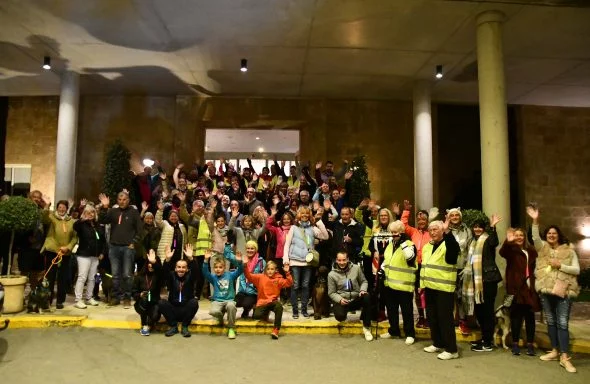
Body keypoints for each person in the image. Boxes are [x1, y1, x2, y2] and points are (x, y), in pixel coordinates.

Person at [528, 206, 580, 373]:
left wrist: (561, 265)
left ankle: (565, 357)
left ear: (559, 235)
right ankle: (555, 351)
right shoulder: (542, 248)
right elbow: (534, 237)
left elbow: (577, 270)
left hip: (564, 290)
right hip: (546, 290)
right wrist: (535, 220)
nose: (551, 235)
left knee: (562, 323)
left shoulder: (569, 250)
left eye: (554, 233)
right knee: (551, 321)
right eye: (549, 233)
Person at [421, 219, 461, 360]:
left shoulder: (449, 244)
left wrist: (447, 231)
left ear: (442, 231)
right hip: (430, 287)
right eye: (430, 230)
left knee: (445, 319)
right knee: (432, 317)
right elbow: (424, 267)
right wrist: (422, 284)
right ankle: (438, 343)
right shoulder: (427, 246)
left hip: (444, 288)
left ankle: (451, 350)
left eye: (436, 229)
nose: (432, 232)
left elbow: (452, 257)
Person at [499, 225, 540, 357]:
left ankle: (530, 344)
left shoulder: (531, 250)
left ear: (524, 237)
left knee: (530, 318)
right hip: (516, 288)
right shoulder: (511, 250)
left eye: (521, 235)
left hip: (529, 288)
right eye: (516, 235)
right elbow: (502, 252)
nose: (519, 237)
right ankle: (515, 343)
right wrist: (508, 240)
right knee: (516, 317)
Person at [98, 192, 142, 308]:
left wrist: (134, 242)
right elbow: (102, 220)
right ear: (117, 200)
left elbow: (140, 230)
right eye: (120, 199)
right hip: (114, 247)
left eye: (124, 199)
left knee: (127, 274)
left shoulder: (134, 212)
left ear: (128, 200)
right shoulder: (113, 211)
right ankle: (115, 297)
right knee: (115, 274)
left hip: (128, 248)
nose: (122, 201)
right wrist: (105, 207)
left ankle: (127, 298)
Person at [466, 214, 503, 352]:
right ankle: (484, 337)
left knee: (487, 312)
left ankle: (488, 342)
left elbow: (495, 242)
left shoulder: (487, 239)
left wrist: (493, 227)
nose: (477, 229)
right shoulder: (473, 243)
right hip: (476, 283)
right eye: (475, 227)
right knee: (480, 312)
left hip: (487, 281)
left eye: (480, 227)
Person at [283, 206, 329, 318]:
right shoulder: (293, 228)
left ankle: (303, 310)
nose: (304, 215)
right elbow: (287, 244)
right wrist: (286, 260)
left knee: (305, 286)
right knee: (295, 286)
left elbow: (326, 236)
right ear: (298, 215)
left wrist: (319, 222)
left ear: (309, 215)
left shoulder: (313, 228)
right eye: (302, 213)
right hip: (295, 261)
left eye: (307, 213)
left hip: (308, 262)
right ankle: (295, 311)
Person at [379, 221, 417, 345]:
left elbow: (410, 258)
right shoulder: (390, 245)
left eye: (396, 232)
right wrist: (382, 269)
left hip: (404, 285)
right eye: (392, 232)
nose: (393, 235)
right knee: (391, 310)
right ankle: (393, 330)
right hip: (390, 284)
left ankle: (410, 334)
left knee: (407, 311)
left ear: (402, 232)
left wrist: (403, 244)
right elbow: (387, 260)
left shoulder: (409, 244)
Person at [398, 200, 433, 329]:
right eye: (419, 219)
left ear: (427, 220)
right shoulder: (413, 232)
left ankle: (429, 317)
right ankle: (421, 317)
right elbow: (403, 225)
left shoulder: (432, 232)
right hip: (416, 267)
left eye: (424, 219)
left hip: (428, 267)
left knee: (427, 292)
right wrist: (406, 211)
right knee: (417, 293)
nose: (421, 221)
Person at [327, 251, 373, 342]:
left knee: (367, 296)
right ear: (336, 260)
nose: (342, 262)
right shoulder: (331, 275)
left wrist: (362, 290)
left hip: (356, 298)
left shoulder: (356, 268)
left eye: (344, 260)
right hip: (343, 300)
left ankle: (366, 327)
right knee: (340, 317)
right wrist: (340, 300)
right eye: (339, 260)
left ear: (348, 259)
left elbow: (364, 281)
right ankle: (343, 313)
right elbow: (331, 293)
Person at [243, 258, 293, 339]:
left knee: (279, 307)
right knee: (256, 316)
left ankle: (276, 329)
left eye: (272, 269)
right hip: (262, 302)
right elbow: (248, 276)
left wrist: (287, 272)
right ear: (265, 269)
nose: (270, 271)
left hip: (273, 302)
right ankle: (266, 313)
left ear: (275, 270)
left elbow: (289, 283)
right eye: (268, 269)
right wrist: (245, 266)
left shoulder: (278, 279)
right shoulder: (260, 277)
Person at [41, 199, 78, 309]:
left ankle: (60, 301)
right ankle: (47, 300)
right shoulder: (51, 217)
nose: (62, 209)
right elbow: (44, 219)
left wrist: (68, 247)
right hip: (52, 251)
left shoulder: (72, 221)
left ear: (67, 209)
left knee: (63, 278)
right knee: (50, 277)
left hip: (65, 253)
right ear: (57, 208)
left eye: (64, 207)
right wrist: (46, 207)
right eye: (60, 207)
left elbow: (75, 237)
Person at [202, 247, 244, 339]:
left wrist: (240, 262)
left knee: (231, 306)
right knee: (213, 311)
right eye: (216, 267)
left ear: (224, 268)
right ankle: (220, 317)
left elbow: (240, 270)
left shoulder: (230, 275)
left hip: (229, 300)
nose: (218, 269)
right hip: (217, 301)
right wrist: (206, 260)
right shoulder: (213, 278)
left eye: (220, 267)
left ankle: (231, 328)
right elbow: (205, 272)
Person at [159, 244, 199, 337]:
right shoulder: (171, 276)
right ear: (175, 268)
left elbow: (196, 272)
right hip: (173, 309)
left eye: (183, 267)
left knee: (194, 302)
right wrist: (167, 260)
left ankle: (185, 326)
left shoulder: (190, 277)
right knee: (161, 302)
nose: (181, 269)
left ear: (187, 269)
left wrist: (191, 259)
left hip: (186, 310)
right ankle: (173, 326)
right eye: (179, 267)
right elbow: (164, 272)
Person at [72, 204, 106, 309]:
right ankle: (78, 299)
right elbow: (75, 227)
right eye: (87, 212)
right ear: (84, 214)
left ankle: (89, 297)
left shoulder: (98, 225)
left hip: (95, 256)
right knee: (82, 277)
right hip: (83, 255)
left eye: (92, 212)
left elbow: (103, 240)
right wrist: (81, 220)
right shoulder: (81, 224)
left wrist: (102, 252)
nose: (90, 214)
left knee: (92, 278)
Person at [446, 208, 473, 335]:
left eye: (457, 215)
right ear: (449, 217)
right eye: (452, 215)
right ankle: (449, 321)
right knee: (449, 295)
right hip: (448, 268)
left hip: (463, 268)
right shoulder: (445, 230)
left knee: (462, 296)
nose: (455, 217)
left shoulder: (467, 231)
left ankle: (463, 321)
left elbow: (471, 249)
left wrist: (468, 265)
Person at [228, 241, 265, 319]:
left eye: (252, 248)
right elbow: (229, 257)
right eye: (248, 248)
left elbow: (265, 278)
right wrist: (227, 246)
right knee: (234, 303)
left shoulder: (261, 262)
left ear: (256, 250)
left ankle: (251, 308)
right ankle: (246, 309)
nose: (250, 250)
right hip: (243, 290)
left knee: (247, 304)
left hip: (254, 291)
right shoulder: (242, 260)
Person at [133, 249, 162, 336]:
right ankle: (144, 325)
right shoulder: (139, 277)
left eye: (152, 264)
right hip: (141, 303)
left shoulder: (158, 277)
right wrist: (140, 295)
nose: (151, 266)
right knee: (145, 300)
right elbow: (133, 293)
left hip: (154, 302)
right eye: (149, 263)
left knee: (155, 315)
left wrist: (154, 262)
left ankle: (151, 322)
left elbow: (161, 271)